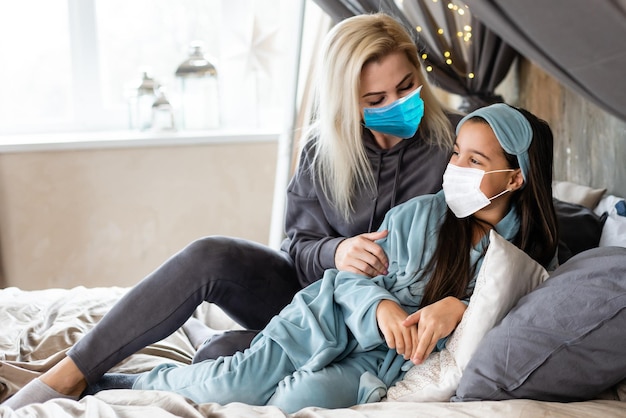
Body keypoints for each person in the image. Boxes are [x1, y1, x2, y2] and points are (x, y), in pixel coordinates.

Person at [2, 13, 458, 409]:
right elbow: (297, 246)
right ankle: (68, 374)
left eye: (405, 87)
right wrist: (335, 252)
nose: (397, 106)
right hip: (310, 307)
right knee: (210, 254)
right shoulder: (324, 148)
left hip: (391, 326)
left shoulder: (459, 146)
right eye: (374, 101)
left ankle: (163, 361)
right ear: (346, 101)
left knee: (218, 355)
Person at [78, 103, 560, 412]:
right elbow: (346, 279)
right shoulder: (420, 215)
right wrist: (381, 307)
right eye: (455, 154)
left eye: (473, 161)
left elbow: (518, 318)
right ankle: (113, 384)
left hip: (380, 362)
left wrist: (460, 308)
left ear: (514, 178)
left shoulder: (523, 259)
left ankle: (215, 350)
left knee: (295, 400)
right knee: (228, 386)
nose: (453, 168)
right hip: (323, 319)